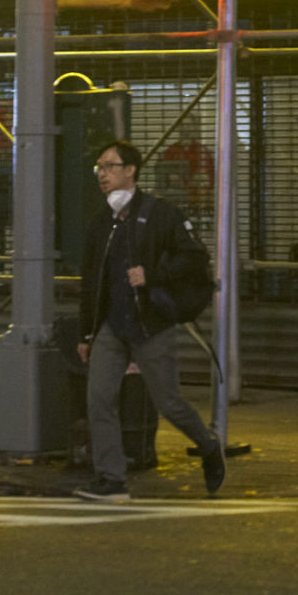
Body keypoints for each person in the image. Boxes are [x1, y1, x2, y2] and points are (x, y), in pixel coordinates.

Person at [74, 139, 225, 502]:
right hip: (112, 325)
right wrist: (86, 332)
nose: (102, 174)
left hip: (150, 324)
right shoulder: (101, 222)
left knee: (168, 402)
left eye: (110, 166)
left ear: (131, 170)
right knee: (99, 399)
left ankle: (207, 444)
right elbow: (91, 282)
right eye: (99, 167)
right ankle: (111, 478)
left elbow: (194, 257)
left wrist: (152, 274)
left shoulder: (160, 214)